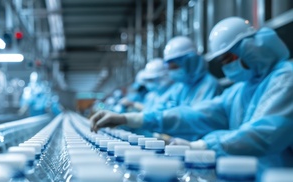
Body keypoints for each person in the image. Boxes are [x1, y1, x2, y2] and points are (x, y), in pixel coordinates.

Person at [90, 17, 293, 172]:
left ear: (251, 48)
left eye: (228, 58)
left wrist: (201, 145)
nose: (226, 67)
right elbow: (197, 113)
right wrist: (131, 118)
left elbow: (264, 133)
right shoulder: (242, 89)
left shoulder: (286, 77)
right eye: (222, 61)